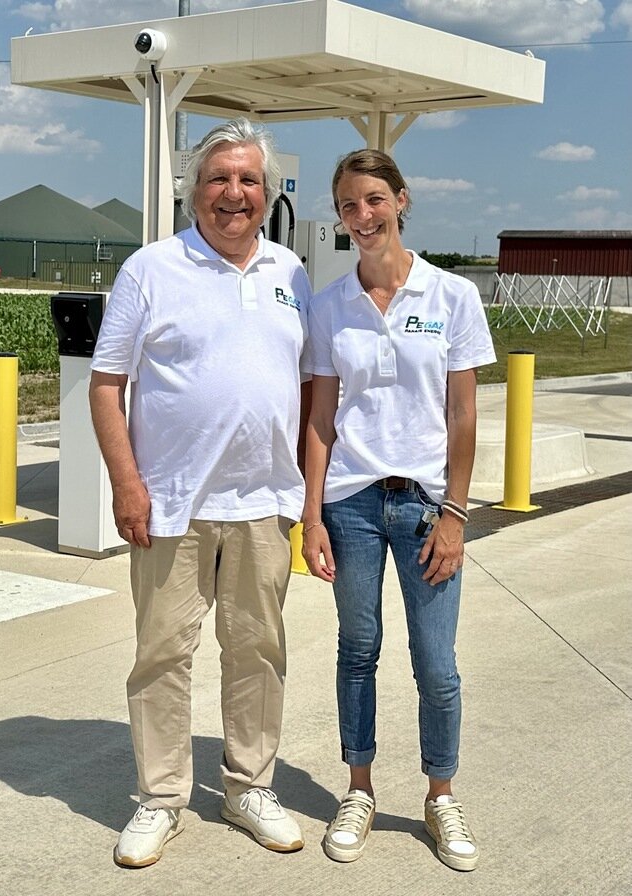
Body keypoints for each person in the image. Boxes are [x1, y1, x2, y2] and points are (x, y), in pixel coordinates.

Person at [89, 118, 311, 868]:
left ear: (268, 191)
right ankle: (160, 799)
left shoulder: (292, 273)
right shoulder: (151, 270)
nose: (234, 193)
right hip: (171, 505)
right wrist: (126, 482)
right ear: (192, 189)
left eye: (249, 180)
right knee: (162, 655)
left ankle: (248, 787)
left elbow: (311, 388)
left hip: (262, 506)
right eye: (219, 179)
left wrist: (305, 497)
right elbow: (106, 384)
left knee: (257, 653)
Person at [300, 149, 496, 872]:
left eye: (375, 200)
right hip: (350, 503)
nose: (363, 217)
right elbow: (320, 418)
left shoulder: (451, 297)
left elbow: (463, 413)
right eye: (349, 206)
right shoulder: (329, 305)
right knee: (358, 651)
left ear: (402, 201)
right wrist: (312, 513)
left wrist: (456, 512)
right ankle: (359, 788)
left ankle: (440, 795)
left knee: (436, 665)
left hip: (423, 508)